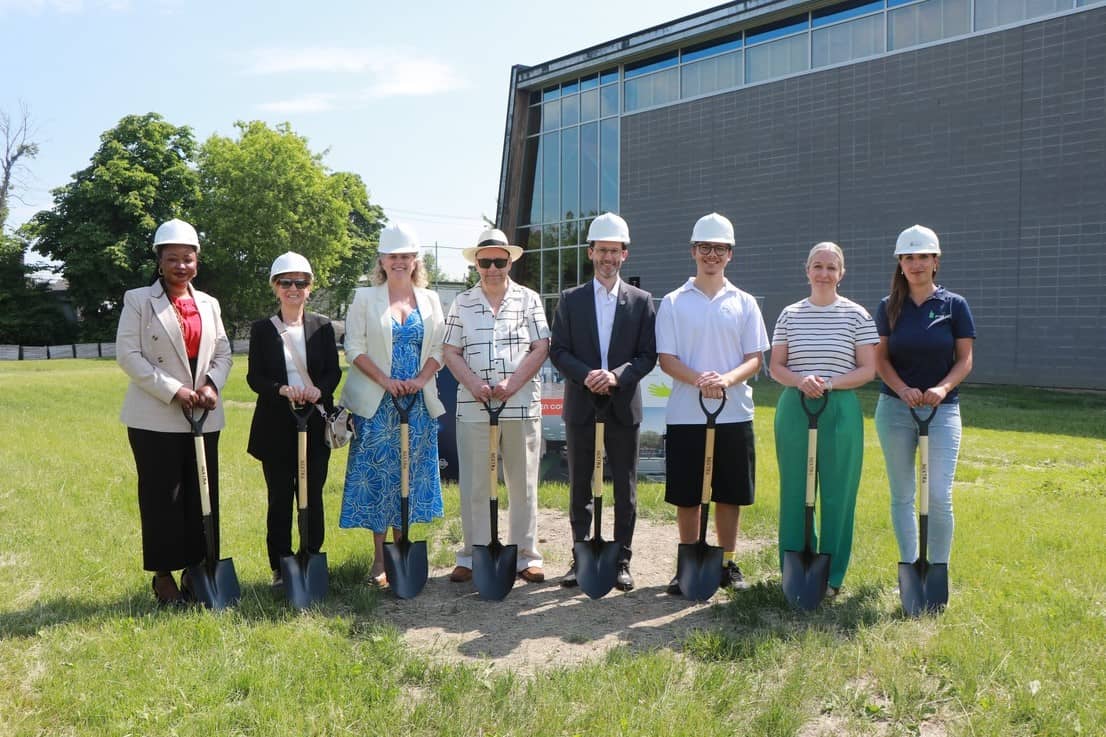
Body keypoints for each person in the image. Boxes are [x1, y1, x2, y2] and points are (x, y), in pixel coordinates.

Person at [116, 218, 232, 607]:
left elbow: (223, 352)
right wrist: (175, 390)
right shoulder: (138, 300)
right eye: (173, 259)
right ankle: (164, 575)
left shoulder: (210, 304)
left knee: (203, 495)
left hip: (203, 413)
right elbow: (128, 355)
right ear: (159, 261)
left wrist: (211, 385)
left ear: (197, 261)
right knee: (162, 497)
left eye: (188, 258)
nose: (181, 266)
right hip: (156, 416)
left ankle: (197, 570)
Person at [655, 212, 769, 595]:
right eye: (705, 248)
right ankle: (687, 560)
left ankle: (725, 561)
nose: (712, 255)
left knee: (729, 493)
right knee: (688, 494)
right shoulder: (673, 302)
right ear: (693, 251)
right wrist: (700, 380)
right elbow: (666, 359)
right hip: (687, 413)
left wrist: (725, 380)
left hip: (734, 411)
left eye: (720, 249)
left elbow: (755, 357)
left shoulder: (745, 302)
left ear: (730, 254)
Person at [549, 212, 657, 591]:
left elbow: (648, 355)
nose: (608, 258)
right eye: (602, 251)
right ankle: (581, 558)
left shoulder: (642, 302)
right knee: (580, 483)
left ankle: (621, 560)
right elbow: (558, 351)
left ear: (624, 255)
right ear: (590, 252)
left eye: (615, 251)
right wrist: (587, 375)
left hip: (622, 405)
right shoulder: (571, 300)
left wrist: (616, 376)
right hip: (581, 404)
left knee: (624, 487)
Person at [769, 241, 878, 598]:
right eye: (818, 266)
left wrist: (829, 383)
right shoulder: (789, 314)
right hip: (795, 408)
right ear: (807, 270)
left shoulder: (857, 316)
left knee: (837, 493)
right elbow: (776, 366)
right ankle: (795, 565)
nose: (824, 273)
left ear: (841, 273)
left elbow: (868, 369)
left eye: (832, 267)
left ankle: (831, 575)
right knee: (796, 491)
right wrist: (801, 380)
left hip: (840, 408)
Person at [339, 223, 446, 587]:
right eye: (392, 256)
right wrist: (386, 382)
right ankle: (379, 558)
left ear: (416, 260)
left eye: (405, 256)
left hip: (416, 401)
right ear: (382, 260)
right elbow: (354, 346)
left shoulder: (430, 299)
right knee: (378, 478)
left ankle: (403, 549)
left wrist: (417, 381)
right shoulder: (365, 298)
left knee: (409, 477)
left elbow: (437, 350)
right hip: (377, 401)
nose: (399, 262)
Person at [442, 227, 550, 584]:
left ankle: (525, 557)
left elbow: (541, 347)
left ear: (509, 262)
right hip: (474, 406)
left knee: (523, 484)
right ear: (476, 264)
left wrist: (511, 384)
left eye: (499, 261)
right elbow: (451, 351)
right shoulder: (462, 302)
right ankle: (473, 556)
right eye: (485, 261)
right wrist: (473, 384)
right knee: (474, 483)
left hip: (519, 404)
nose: (492, 268)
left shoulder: (529, 299)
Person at [874, 225, 975, 570]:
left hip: (942, 411)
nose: (916, 264)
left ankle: (936, 570)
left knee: (939, 496)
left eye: (923, 256)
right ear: (900, 263)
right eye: (909, 257)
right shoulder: (888, 307)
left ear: (936, 261)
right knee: (903, 495)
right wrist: (901, 389)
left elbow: (965, 359)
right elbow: (880, 359)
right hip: (895, 410)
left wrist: (943, 388)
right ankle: (909, 566)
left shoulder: (954, 306)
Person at [246, 252, 340, 589]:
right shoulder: (262, 330)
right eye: (286, 282)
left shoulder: (323, 326)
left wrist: (318, 390)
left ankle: (311, 557)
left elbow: (333, 370)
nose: (293, 288)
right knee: (280, 499)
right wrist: (281, 389)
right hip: (276, 425)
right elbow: (254, 377)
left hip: (313, 424)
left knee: (312, 496)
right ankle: (281, 566)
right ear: (275, 287)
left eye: (301, 282)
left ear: (310, 287)